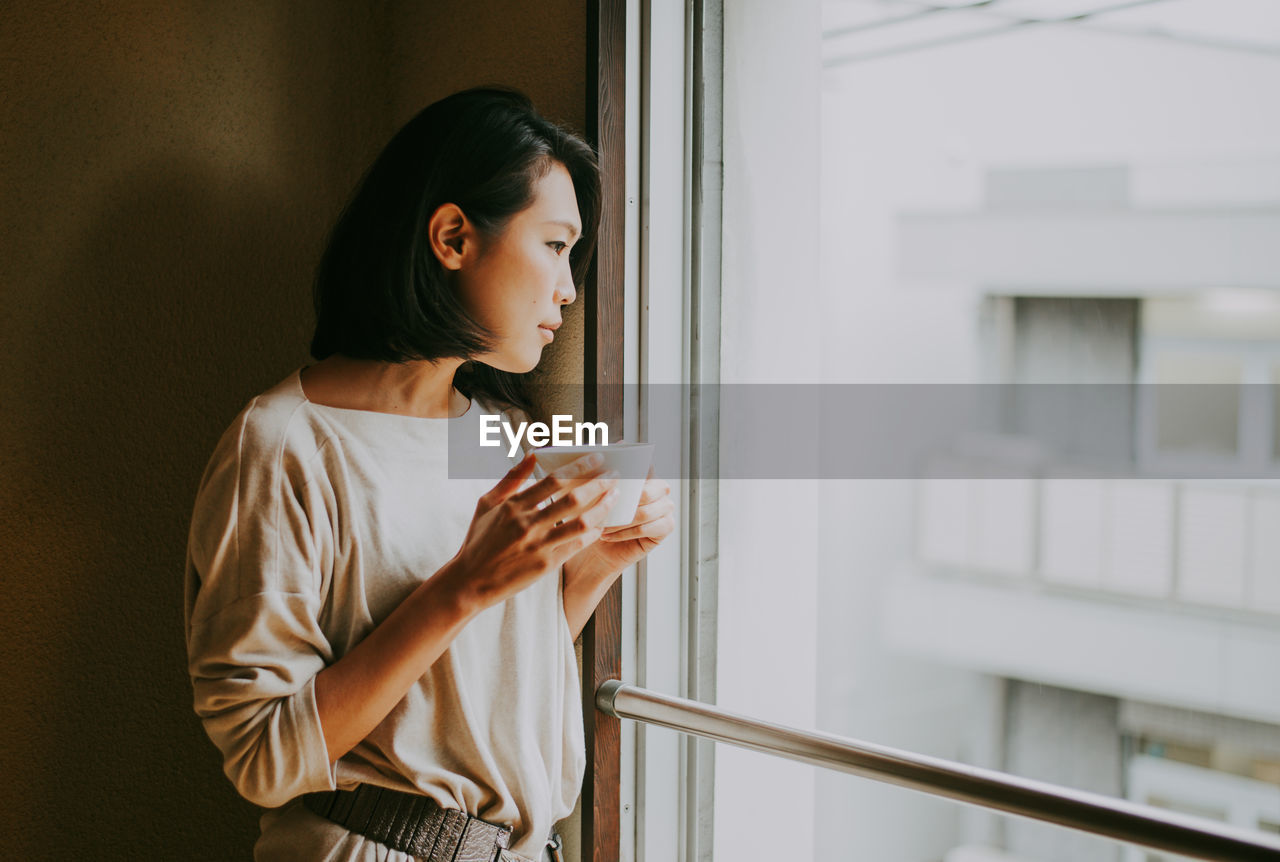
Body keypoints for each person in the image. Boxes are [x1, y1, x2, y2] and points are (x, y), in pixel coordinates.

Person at [183, 87, 675, 862]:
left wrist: (587, 571)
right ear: (451, 236)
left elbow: (479, 679)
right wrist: (466, 581)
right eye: (554, 246)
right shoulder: (284, 445)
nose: (569, 289)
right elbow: (263, 757)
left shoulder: (499, 438)